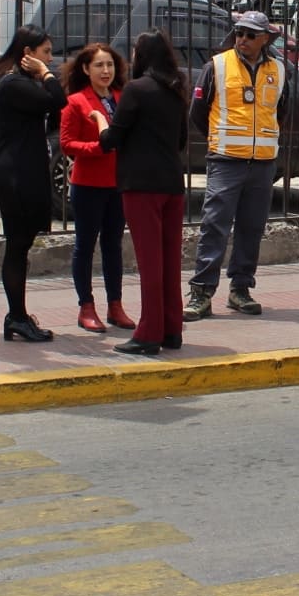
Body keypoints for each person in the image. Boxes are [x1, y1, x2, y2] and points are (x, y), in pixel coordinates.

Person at [184, 9, 298, 320]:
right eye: (239, 33)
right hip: (225, 160)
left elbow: (282, 111)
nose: (242, 39)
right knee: (214, 226)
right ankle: (201, 292)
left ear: (265, 39)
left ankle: (240, 289)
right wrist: (218, 140)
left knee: (251, 227)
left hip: (262, 163)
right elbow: (197, 111)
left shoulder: (280, 70)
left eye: (250, 34)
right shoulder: (217, 67)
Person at [96, 28, 190, 354]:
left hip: (141, 185)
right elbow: (180, 141)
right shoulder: (176, 88)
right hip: (172, 184)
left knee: (149, 262)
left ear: (142, 55)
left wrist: (99, 120)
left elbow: (111, 140)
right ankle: (170, 328)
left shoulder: (136, 90)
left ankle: (149, 333)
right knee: (169, 261)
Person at [0, 25, 66, 342]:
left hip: (27, 170)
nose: (50, 59)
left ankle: (18, 315)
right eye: (45, 52)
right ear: (28, 54)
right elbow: (57, 100)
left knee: (21, 246)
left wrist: (43, 75)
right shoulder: (13, 84)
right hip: (16, 174)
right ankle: (16, 317)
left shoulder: (25, 83)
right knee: (17, 245)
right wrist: (46, 74)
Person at [59, 41, 135, 334]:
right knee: (85, 246)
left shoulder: (121, 97)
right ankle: (86, 306)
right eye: (99, 65)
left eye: (110, 65)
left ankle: (115, 305)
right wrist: (98, 147)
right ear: (85, 69)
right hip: (88, 183)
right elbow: (67, 144)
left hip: (118, 184)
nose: (106, 70)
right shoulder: (76, 101)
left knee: (113, 246)